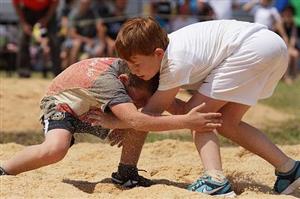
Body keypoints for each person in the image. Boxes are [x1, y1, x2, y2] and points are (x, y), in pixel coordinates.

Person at [107, 17, 300, 196]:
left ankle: (215, 179)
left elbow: (150, 115)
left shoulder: (174, 63)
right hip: (269, 46)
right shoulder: (168, 52)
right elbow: (168, 111)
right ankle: (289, 169)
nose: (133, 71)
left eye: (136, 64)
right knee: (226, 123)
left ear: (158, 54)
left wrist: (123, 122)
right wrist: (136, 121)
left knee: (199, 116)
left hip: (252, 48)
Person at [0, 57, 223, 188]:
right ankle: (5, 170)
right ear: (125, 81)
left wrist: (195, 113)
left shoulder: (134, 75)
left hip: (92, 108)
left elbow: (161, 106)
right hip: (62, 105)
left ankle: (126, 174)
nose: (142, 103)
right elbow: (138, 119)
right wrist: (187, 121)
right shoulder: (111, 83)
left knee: (146, 116)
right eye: (140, 98)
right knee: (56, 149)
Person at [12, 0, 61, 78]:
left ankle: (58, 72)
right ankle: (23, 71)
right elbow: (16, 4)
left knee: (54, 40)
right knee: (23, 39)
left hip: (47, 10)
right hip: (27, 11)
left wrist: (46, 19)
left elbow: (55, 3)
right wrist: (24, 23)